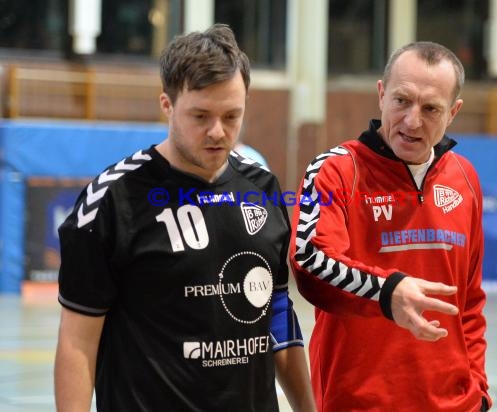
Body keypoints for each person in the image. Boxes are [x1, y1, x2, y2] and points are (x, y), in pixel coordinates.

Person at [55, 24, 315, 412]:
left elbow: (277, 314)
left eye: (232, 116)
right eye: (200, 115)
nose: (217, 132)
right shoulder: (113, 200)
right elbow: (77, 344)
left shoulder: (261, 187)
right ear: (167, 105)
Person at [289, 41, 491, 412]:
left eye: (430, 108)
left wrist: (478, 391)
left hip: (455, 403)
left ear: (453, 112)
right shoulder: (336, 171)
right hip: (358, 402)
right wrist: (387, 292)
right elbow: (309, 262)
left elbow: (470, 302)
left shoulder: (465, 178)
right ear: (381, 95)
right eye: (402, 101)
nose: (413, 121)